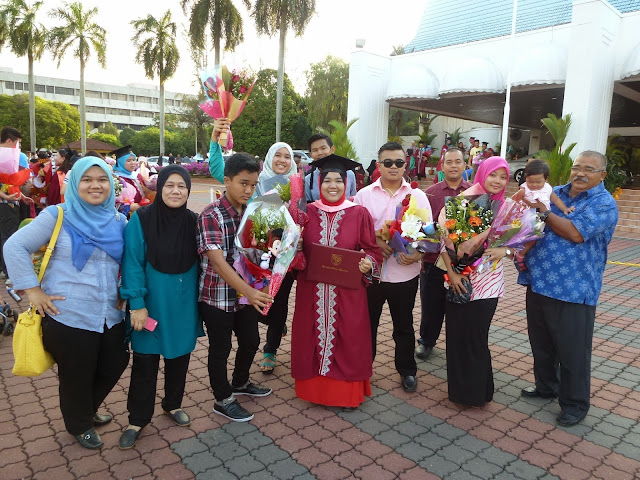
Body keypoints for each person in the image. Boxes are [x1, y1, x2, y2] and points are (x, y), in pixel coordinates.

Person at [4, 157, 129, 449]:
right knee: (77, 375)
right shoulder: (57, 215)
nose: (95, 185)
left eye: (102, 179)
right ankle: (80, 424)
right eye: (87, 180)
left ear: (111, 184)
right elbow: (15, 246)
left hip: (110, 312)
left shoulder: (118, 220)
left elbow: (127, 261)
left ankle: (85, 409)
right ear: (75, 184)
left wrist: (126, 289)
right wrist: (33, 290)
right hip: (68, 312)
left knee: (115, 363)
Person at [518, 151, 618, 426]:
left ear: (602, 175)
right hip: (539, 281)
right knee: (541, 343)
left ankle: (574, 403)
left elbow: (575, 232)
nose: (580, 173)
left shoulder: (603, 203)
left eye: (589, 169)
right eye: (577, 167)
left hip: (575, 289)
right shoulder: (555, 191)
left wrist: (545, 211)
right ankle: (546, 386)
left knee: (573, 351)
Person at [118, 165, 204, 449]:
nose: (176, 191)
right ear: (160, 187)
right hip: (151, 304)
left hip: (183, 302)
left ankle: (172, 403)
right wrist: (137, 304)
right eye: (170, 185)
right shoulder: (141, 219)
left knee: (180, 357)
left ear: (188, 191)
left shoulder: (194, 221)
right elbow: (132, 263)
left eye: (182, 186)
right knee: (145, 361)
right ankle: (137, 419)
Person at [291, 154, 382, 408]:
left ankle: (346, 395)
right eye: (327, 181)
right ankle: (314, 392)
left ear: (347, 183)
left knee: (349, 340)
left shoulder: (359, 213)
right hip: (312, 291)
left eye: (339, 181)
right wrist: (295, 249)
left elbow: (373, 251)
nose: (333, 186)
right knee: (310, 338)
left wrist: (368, 263)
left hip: (348, 294)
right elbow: (293, 257)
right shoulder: (306, 213)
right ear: (319, 183)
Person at [197, 153, 273, 422]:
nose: (248, 190)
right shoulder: (211, 215)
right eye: (243, 183)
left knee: (251, 341)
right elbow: (218, 263)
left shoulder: (253, 213)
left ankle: (240, 381)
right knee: (220, 348)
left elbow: (262, 251)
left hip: (245, 296)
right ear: (227, 181)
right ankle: (223, 399)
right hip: (216, 296)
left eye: (253, 185)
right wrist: (250, 292)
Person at [354, 142, 431, 393]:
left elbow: (429, 233)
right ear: (379, 165)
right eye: (388, 162)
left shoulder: (418, 196)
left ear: (405, 165)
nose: (393, 167)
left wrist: (418, 254)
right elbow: (355, 232)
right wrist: (376, 241)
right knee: (367, 326)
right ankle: (363, 370)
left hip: (404, 273)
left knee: (404, 326)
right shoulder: (364, 195)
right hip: (370, 274)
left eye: (399, 162)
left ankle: (407, 370)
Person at [440, 157, 510, 407]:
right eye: (493, 175)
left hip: (488, 283)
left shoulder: (507, 207)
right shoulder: (463, 202)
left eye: (503, 177)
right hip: (458, 278)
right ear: (482, 174)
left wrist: (506, 251)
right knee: (457, 335)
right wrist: (454, 273)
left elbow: (523, 242)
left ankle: (479, 392)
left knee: (477, 336)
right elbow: (443, 243)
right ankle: (460, 392)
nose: (497, 181)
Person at [415, 147, 470, 360]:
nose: (454, 166)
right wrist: (421, 254)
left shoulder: (474, 191)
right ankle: (426, 341)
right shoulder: (430, 193)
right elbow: (422, 226)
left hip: (464, 263)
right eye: (449, 162)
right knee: (431, 305)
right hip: (434, 260)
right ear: (443, 166)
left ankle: (458, 347)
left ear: (465, 165)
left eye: (458, 161)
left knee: (461, 307)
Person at [253, 142, 297, 373]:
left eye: (287, 156)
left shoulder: (296, 185)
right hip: (258, 252)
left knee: (279, 303)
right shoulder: (257, 182)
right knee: (255, 302)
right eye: (277, 155)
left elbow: (301, 214)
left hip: (286, 255)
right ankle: (274, 325)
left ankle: (270, 349)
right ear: (269, 157)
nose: (282, 160)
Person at [305, 134, 357, 202]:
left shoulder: (349, 174)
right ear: (311, 154)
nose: (320, 152)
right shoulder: (308, 180)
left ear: (332, 149)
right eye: (315, 150)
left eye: (323, 148)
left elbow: (353, 199)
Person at [0, 127, 23, 278]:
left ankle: (4, 269)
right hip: (5, 204)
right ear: (9, 141)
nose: (17, 148)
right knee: (8, 236)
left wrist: (21, 195)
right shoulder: (4, 156)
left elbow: (10, 181)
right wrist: (6, 197)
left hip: (8, 200)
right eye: (17, 144)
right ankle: (9, 271)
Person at [112, 145, 145, 216]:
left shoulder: (137, 176)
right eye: (128, 161)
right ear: (120, 162)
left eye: (133, 160)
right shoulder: (116, 179)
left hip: (141, 212)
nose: (132, 163)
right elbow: (111, 204)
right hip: (126, 217)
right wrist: (129, 207)